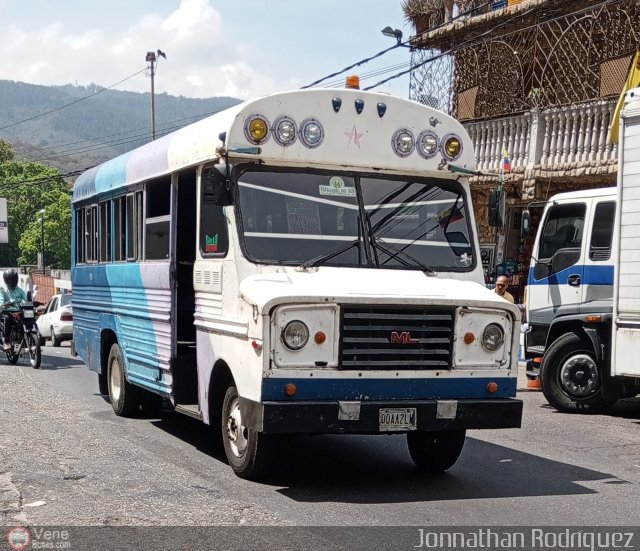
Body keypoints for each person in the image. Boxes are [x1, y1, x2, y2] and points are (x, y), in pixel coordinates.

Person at [1, 269, 28, 351]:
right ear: (6, 280)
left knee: (30, 319)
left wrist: (31, 303)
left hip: (19, 312)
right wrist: (5, 304)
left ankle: (32, 338)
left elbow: (27, 299)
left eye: (14, 278)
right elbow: (1, 301)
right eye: (10, 279)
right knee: (8, 318)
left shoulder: (20, 290)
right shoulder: (2, 290)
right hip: (8, 311)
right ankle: (6, 341)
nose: (12, 281)